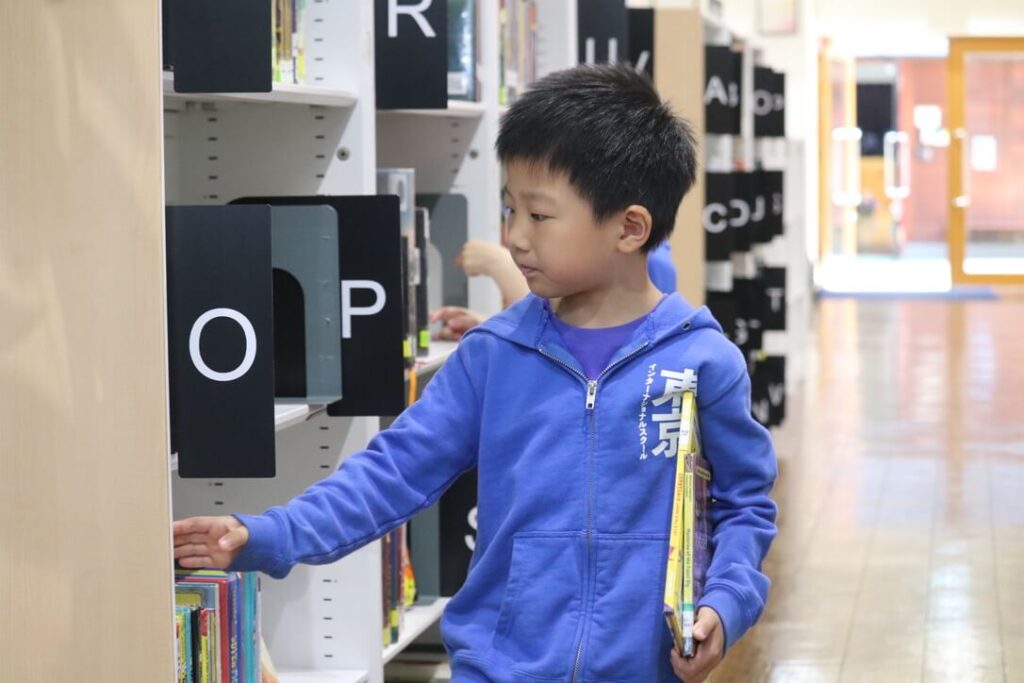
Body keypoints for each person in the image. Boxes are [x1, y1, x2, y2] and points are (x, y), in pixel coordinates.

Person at [173, 63, 777, 682]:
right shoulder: (493, 355)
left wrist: (724, 605)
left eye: (539, 216)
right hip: (497, 669)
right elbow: (392, 472)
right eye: (510, 209)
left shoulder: (702, 362)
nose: (515, 238)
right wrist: (272, 534)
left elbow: (743, 506)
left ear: (629, 228)